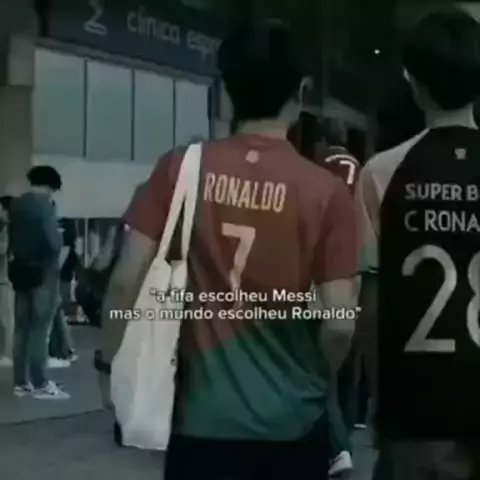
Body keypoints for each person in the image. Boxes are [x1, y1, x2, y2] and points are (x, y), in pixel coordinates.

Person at [97, 21, 361, 480]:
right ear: (301, 92)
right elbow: (339, 323)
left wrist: (108, 366)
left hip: (199, 425)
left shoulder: (178, 170)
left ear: (224, 90)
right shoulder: (327, 193)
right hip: (293, 426)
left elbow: (125, 281)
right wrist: (313, 380)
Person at [359, 9, 480, 479]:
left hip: (415, 409)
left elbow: (371, 304)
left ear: (413, 81)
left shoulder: (381, 173)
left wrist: (377, 398)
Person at [9, 166, 70, 400]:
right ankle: (40, 383)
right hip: (44, 274)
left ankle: (20, 383)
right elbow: (53, 242)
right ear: (52, 185)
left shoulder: (16, 205)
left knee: (21, 330)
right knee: (39, 330)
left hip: (21, 271)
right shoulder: (45, 205)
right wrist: (60, 238)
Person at [0, 195, 14, 367]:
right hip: (3, 278)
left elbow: (4, 249)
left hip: (4, 279)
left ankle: (7, 354)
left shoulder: (8, 228)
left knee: (5, 319)